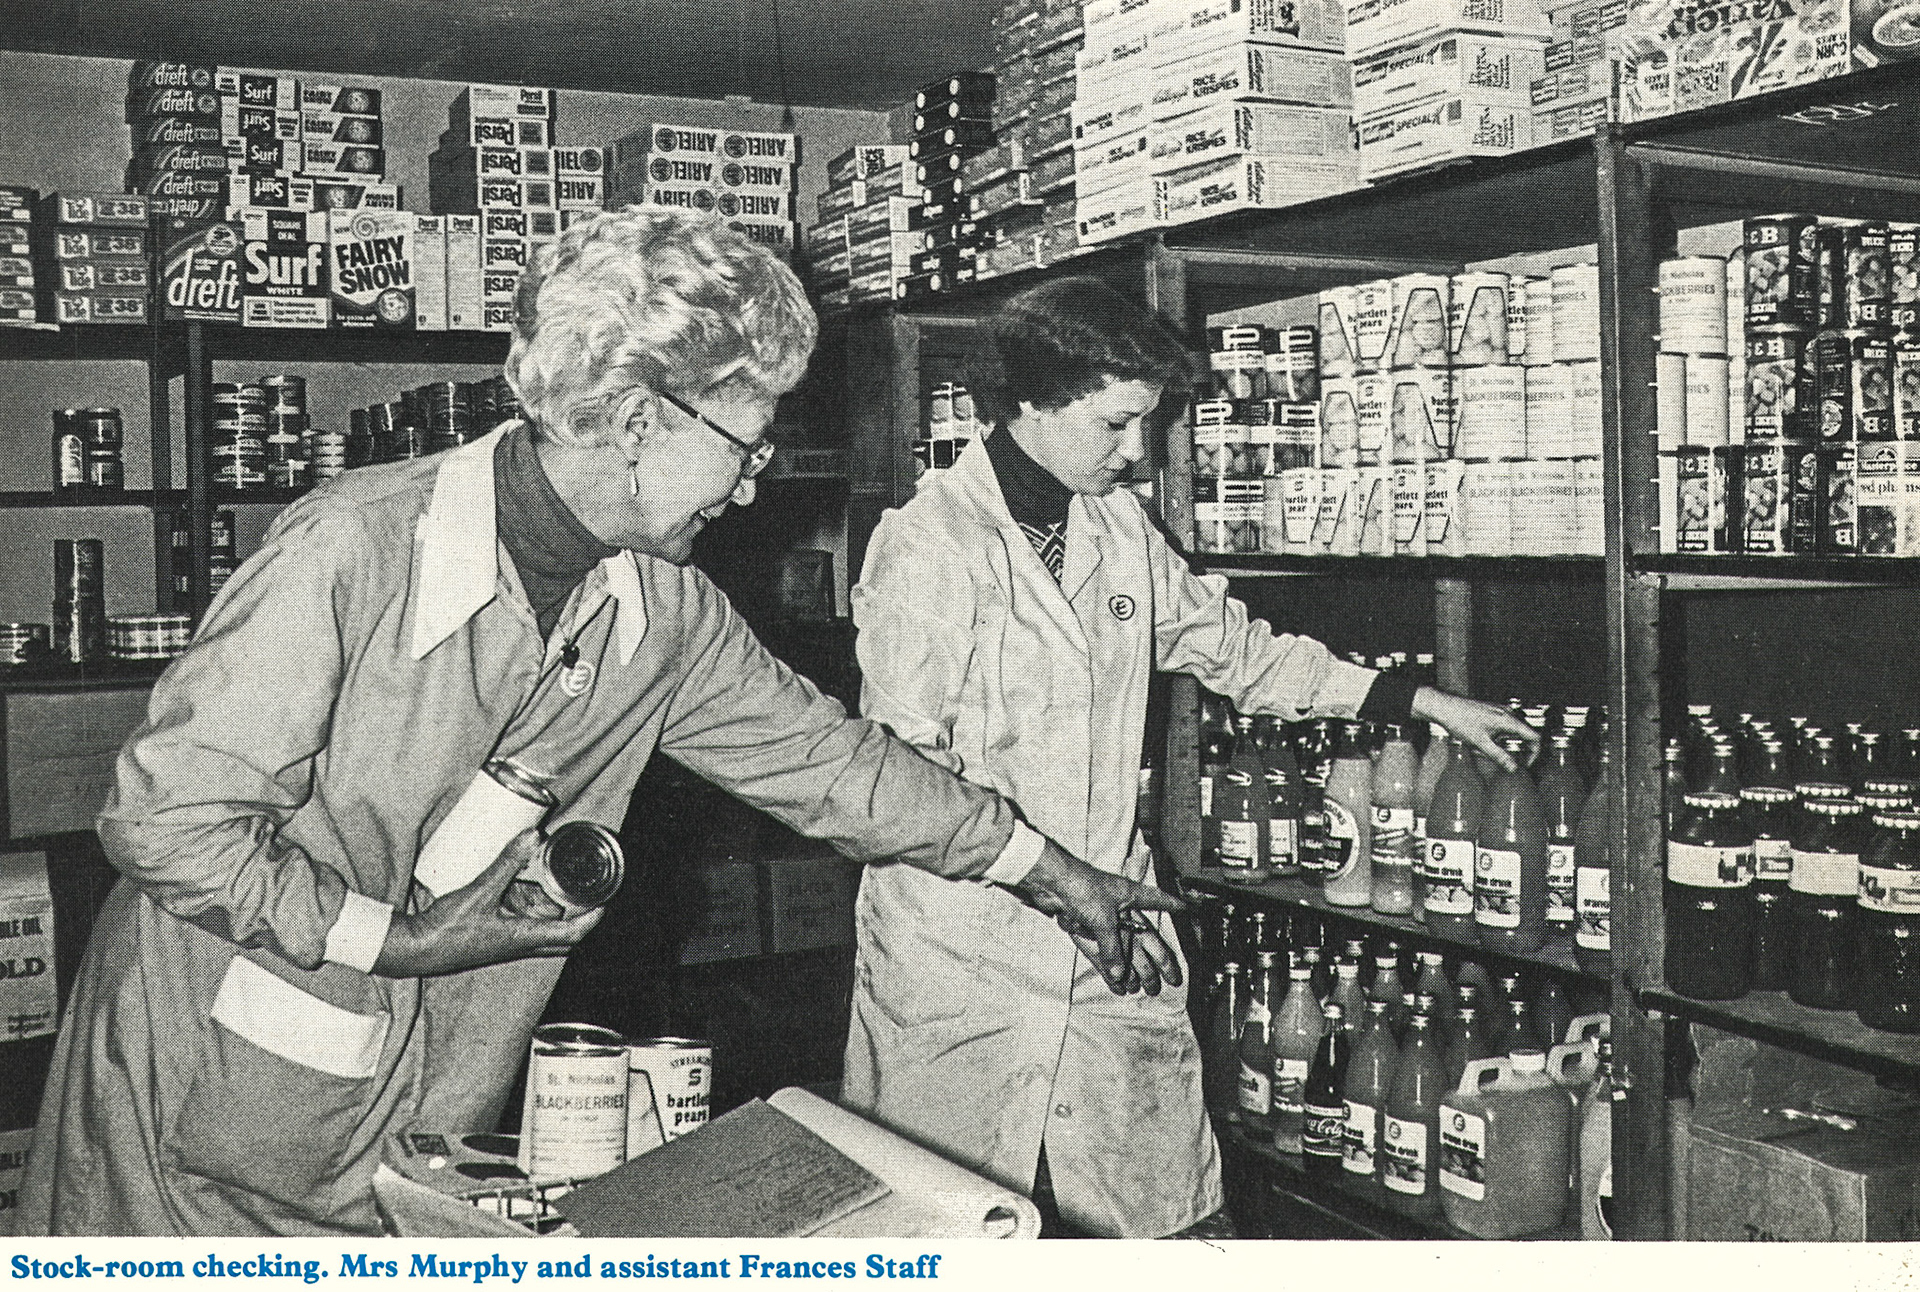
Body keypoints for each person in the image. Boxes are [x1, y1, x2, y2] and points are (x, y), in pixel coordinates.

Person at [19, 213, 1178, 1237]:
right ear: (633, 416)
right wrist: (398, 939)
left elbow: (836, 765)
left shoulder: (661, 610)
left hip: (413, 1105)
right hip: (199, 1090)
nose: (754, 482)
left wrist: (1052, 869)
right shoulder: (352, 548)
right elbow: (172, 824)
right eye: (745, 439)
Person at [841, 277, 1540, 1238]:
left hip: (1112, 925)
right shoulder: (928, 545)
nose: (1138, 454)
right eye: (1118, 424)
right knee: (951, 1225)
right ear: (1029, 404)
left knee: (1156, 1223)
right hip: (961, 940)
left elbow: (1242, 654)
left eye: (1150, 425)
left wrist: (1424, 701)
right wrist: (1049, 880)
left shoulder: (1118, 529)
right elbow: (901, 773)